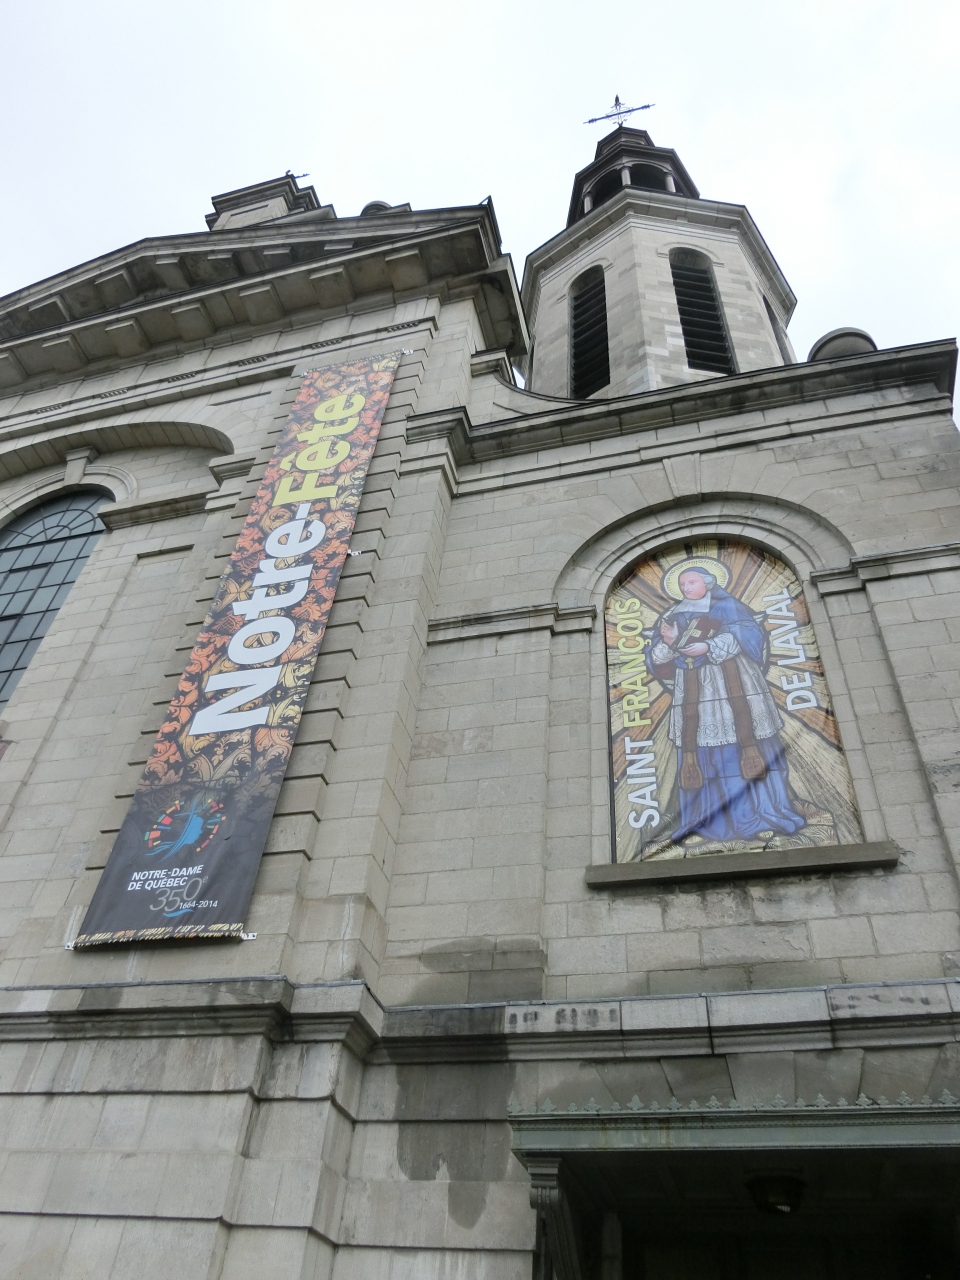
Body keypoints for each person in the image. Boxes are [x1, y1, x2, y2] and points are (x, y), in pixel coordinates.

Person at [647, 562, 805, 845]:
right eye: (682, 585)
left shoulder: (729, 606)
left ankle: (761, 815)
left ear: (707, 582)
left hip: (735, 683)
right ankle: (705, 822)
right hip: (693, 691)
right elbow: (658, 659)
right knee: (700, 752)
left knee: (748, 745)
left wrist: (709, 646)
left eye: (691, 582)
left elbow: (750, 635)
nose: (686, 588)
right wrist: (670, 642)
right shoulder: (674, 615)